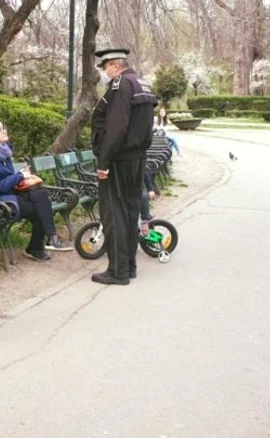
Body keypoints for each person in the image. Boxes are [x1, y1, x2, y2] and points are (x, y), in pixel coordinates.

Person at [90, 48, 158, 285]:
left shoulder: (120, 85)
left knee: (114, 214)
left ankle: (117, 271)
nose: (105, 73)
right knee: (130, 213)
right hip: (138, 158)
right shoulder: (143, 84)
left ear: (116, 66)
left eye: (106, 67)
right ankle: (129, 266)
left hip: (119, 159)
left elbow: (117, 127)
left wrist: (104, 162)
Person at [0, 116, 72, 261]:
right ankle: (36, 248)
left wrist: (23, 177)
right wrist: (19, 176)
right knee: (41, 209)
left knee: (41, 194)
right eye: (0, 130)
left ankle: (51, 237)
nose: (4, 131)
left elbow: (7, 177)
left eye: (4, 128)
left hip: (10, 191)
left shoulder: (3, 150)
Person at [140, 170, 156, 235]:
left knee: (143, 197)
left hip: (138, 188)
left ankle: (145, 222)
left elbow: (145, 174)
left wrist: (150, 189)